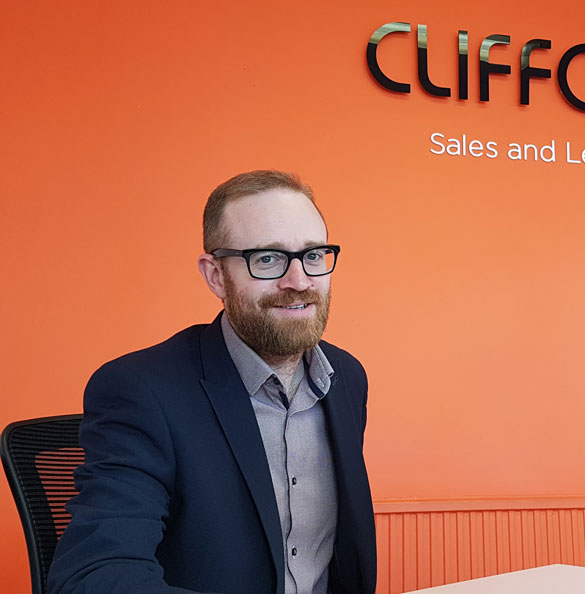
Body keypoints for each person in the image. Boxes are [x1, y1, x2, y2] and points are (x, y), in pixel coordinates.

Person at [47, 170, 376, 594]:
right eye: (268, 258)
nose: (299, 281)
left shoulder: (347, 377)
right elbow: (92, 575)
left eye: (313, 255)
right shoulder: (140, 390)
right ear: (216, 276)